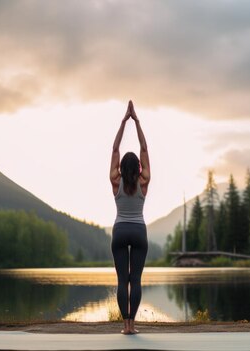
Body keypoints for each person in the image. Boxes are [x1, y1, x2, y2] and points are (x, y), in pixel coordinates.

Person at [109, 100, 150, 335]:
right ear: (139, 169)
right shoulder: (144, 181)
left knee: (122, 280)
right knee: (135, 280)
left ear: (122, 168)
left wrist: (124, 122)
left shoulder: (116, 181)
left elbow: (115, 150)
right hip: (139, 231)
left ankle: (124, 326)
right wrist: (137, 122)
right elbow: (144, 150)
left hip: (120, 230)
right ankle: (133, 326)